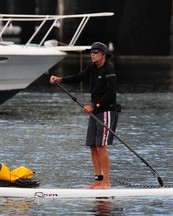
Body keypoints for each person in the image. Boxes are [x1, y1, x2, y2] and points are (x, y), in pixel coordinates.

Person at [50, 42, 119, 189]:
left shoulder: (109, 69)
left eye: (95, 52)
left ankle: (106, 182)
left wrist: (95, 106)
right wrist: (60, 79)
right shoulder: (92, 68)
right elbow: (78, 77)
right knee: (93, 146)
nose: (92, 54)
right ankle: (98, 180)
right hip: (96, 112)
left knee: (101, 146)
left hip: (107, 111)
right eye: (91, 52)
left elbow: (111, 94)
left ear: (104, 54)